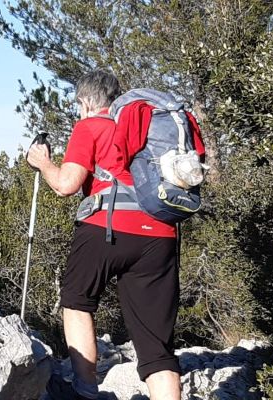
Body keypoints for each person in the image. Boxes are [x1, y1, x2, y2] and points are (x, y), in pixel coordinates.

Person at [25, 71, 196, 400]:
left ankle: (85, 391)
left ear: (87, 102)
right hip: (160, 233)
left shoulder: (89, 127)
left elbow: (66, 184)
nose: (77, 110)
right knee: (156, 347)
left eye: (78, 104)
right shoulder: (145, 127)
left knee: (76, 300)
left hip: (108, 226)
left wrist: (44, 163)